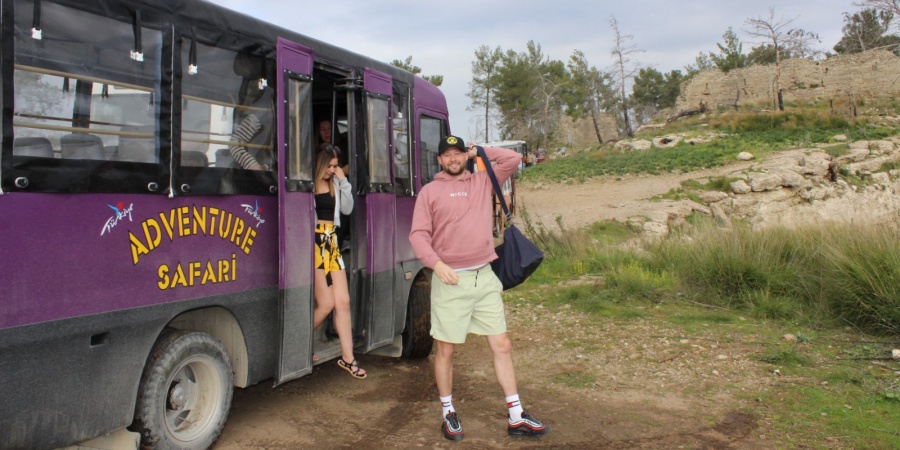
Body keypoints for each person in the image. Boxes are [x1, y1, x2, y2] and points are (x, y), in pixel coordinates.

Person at [409, 135, 550, 441]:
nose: (453, 158)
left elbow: (511, 160)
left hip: (485, 277)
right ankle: (448, 412)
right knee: (446, 349)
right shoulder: (429, 192)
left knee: (502, 345)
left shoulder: (482, 182)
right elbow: (418, 235)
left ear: (465, 155)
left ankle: (515, 414)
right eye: (447, 155)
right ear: (439, 161)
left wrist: (480, 152)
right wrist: (437, 264)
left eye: (458, 153)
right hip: (451, 280)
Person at [311, 144, 366, 379]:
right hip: (314, 244)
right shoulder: (306, 185)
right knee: (326, 304)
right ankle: (298, 344)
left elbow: (347, 208)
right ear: (320, 163)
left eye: (335, 166)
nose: (332, 170)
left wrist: (343, 181)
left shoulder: (335, 183)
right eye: (330, 165)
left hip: (331, 243)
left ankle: (348, 358)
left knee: (343, 302)